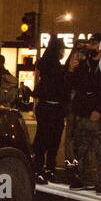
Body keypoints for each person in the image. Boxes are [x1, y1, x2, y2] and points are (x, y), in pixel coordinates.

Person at [68, 42, 101, 194]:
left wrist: (100, 110)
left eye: (94, 44)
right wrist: (71, 70)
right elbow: (72, 85)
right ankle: (83, 177)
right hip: (82, 112)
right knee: (81, 148)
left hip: (100, 115)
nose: (91, 48)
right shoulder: (84, 65)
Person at [30, 37, 69, 182]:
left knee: (46, 139)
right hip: (51, 107)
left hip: (49, 106)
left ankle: (44, 169)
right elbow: (58, 85)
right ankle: (43, 169)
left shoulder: (48, 64)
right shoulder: (53, 66)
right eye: (61, 50)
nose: (63, 52)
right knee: (48, 139)